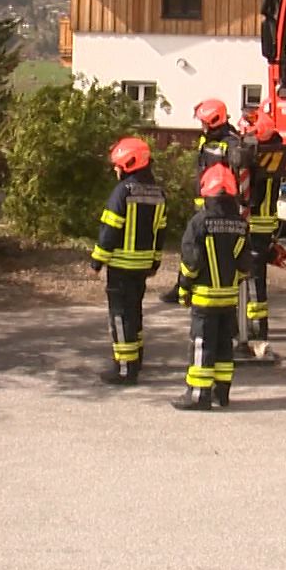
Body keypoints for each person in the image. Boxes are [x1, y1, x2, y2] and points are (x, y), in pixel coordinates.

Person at [90, 136, 168, 385]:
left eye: (118, 165)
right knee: (134, 312)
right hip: (142, 266)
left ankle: (125, 369)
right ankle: (136, 360)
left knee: (120, 315)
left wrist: (97, 260)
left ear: (129, 163)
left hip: (121, 266)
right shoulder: (158, 193)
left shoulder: (122, 192)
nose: (116, 169)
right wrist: (155, 262)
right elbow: (160, 232)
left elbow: (110, 229)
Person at [173, 163, 249, 411]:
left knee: (202, 345)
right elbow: (245, 265)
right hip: (228, 299)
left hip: (204, 299)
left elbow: (191, 263)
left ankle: (198, 395)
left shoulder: (199, 222)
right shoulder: (240, 223)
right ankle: (221, 393)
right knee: (224, 346)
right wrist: (232, 283)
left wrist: (183, 289)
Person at [160, 96, 240, 307]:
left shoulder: (231, 142)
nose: (202, 125)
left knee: (213, 246)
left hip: (220, 203)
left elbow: (237, 165)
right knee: (191, 244)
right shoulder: (208, 139)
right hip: (203, 201)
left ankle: (209, 285)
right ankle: (183, 284)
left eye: (204, 121)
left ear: (214, 121)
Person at [232, 110, 285, 364]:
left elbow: (252, 197)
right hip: (264, 226)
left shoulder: (260, 160)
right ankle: (255, 327)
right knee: (256, 281)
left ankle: (255, 331)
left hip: (254, 226)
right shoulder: (276, 152)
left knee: (251, 280)